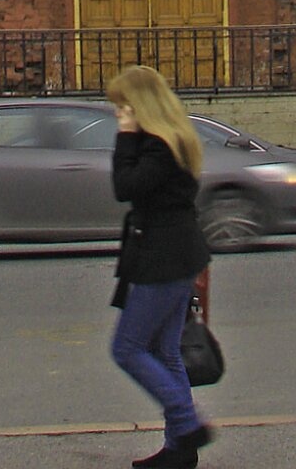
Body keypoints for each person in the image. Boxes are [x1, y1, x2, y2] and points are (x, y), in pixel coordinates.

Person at [106, 65, 214, 469]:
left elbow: (125, 188)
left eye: (122, 105)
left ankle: (188, 425)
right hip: (176, 254)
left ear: (140, 105)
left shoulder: (159, 146)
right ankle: (179, 449)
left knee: (127, 348)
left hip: (165, 258)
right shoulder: (172, 139)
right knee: (165, 350)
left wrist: (125, 136)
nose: (117, 112)